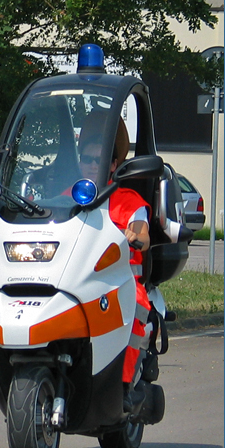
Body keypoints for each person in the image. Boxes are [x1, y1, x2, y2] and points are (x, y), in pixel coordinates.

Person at [78, 116, 151, 411]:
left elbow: (143, 234)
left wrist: (136, 234)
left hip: (120, 282)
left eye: (100, 159)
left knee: (136, 305)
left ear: (113, 164)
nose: (92, 164)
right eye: (87, 158)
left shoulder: (128, 201)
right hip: (75, 281)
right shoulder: (67, 198)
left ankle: (124, 386)